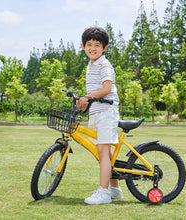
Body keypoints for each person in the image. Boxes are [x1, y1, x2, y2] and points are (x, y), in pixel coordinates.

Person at [77, 27, 123, 205]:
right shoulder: (91, 65)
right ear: (83, 46)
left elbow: (106, 89)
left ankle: (104, 193)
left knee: (103, 152)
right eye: (89, 44)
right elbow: (95, 93)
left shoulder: (104, 64)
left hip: (107, 112)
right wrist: (84, 101)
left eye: (97, 45)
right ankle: (115, 189)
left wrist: (88, 97)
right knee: (105, 152)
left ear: (105, 48)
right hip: (97, 112)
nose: (93, 48)